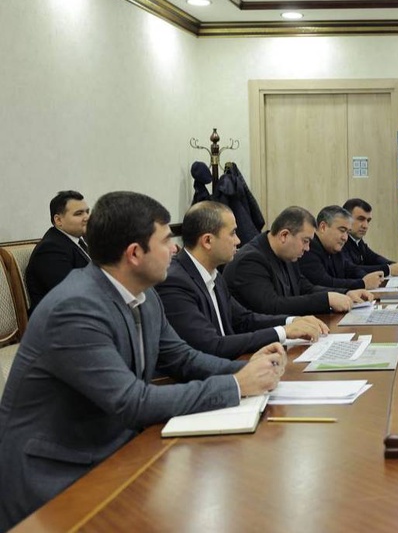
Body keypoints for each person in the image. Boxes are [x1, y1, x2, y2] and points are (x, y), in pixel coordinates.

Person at [0, 191, 284, 530]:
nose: (175, 249)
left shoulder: (145, 295)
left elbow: (182, 358)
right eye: (166, 241)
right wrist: (235, 385)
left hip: (113, 451)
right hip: (55, 476)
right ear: (135, 253)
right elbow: (131, 401)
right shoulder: (75, 308)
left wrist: (250, 371)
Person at [157, 202, 329, 360]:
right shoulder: (175, 282)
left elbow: (244, 320)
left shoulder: (213, 275)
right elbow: (212, 345)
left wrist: (292, 322)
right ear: (208, 241)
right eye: (232, 233)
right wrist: (283, 332)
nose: (238, 240)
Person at [223, 206, 371, 316]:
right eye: (305, 241)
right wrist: (326, 300)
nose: (307, 248)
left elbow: (303, 286)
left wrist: (346, 293)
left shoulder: (287, 254)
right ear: (284, 235)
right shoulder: (250, 261)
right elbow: (272, 306)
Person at [24, 190, 92, 311]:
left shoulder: (79, 241)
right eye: (79, 214)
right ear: (58, 220)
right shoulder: (50, 249)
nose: (87, 217)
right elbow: (71, 295)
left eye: (87, 212)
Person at [298, 205, 385, 291]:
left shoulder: (334, 248)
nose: (345, 238)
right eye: (342, 230)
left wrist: (366, 277)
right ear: (323, 227)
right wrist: (362, 283)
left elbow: (351, 269)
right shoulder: (308, 248)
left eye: (347, 232)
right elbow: (324, 283)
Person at [341, 198, 398, 276]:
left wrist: (395, 265)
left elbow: (374, 258)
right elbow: (351, 270)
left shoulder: (357, 241)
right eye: (360, 219)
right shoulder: (341, 242)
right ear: (346, 219)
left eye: (368, 221)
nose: (365, 226)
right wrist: (389, 269)